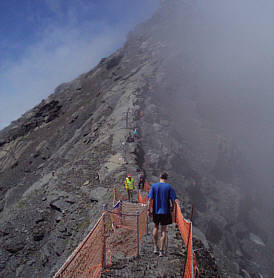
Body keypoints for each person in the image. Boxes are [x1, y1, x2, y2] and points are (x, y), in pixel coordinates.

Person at [147, 172, 176, 257]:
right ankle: (161, 251)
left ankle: (155, 247)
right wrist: (172, 207)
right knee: (164, 230)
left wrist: (149, 209)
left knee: (155, 227)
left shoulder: (154, 186)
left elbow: (150, 199)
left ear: (160, 177)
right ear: (166, 178)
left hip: (156, 211)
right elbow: (173, 200)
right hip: (165, 211)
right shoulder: (169, 187)